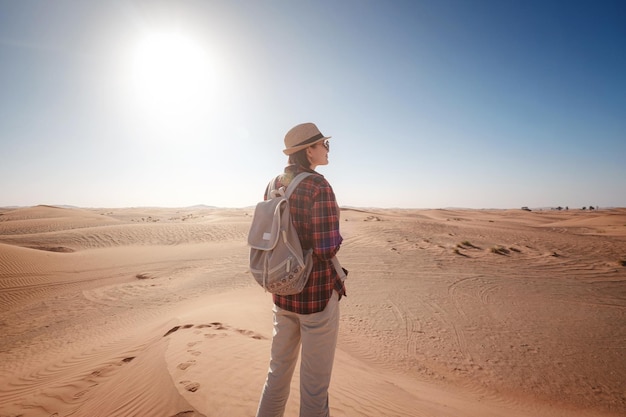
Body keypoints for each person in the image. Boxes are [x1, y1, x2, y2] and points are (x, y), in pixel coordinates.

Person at [256, 122, 346, 417]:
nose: (327, 149)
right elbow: (326, 249)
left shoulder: (274, 184)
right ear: (309, 150)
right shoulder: (318, 186)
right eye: (324, 145)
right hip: (316, 298)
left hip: (281, 293)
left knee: (276, 374)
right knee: (314, 388)